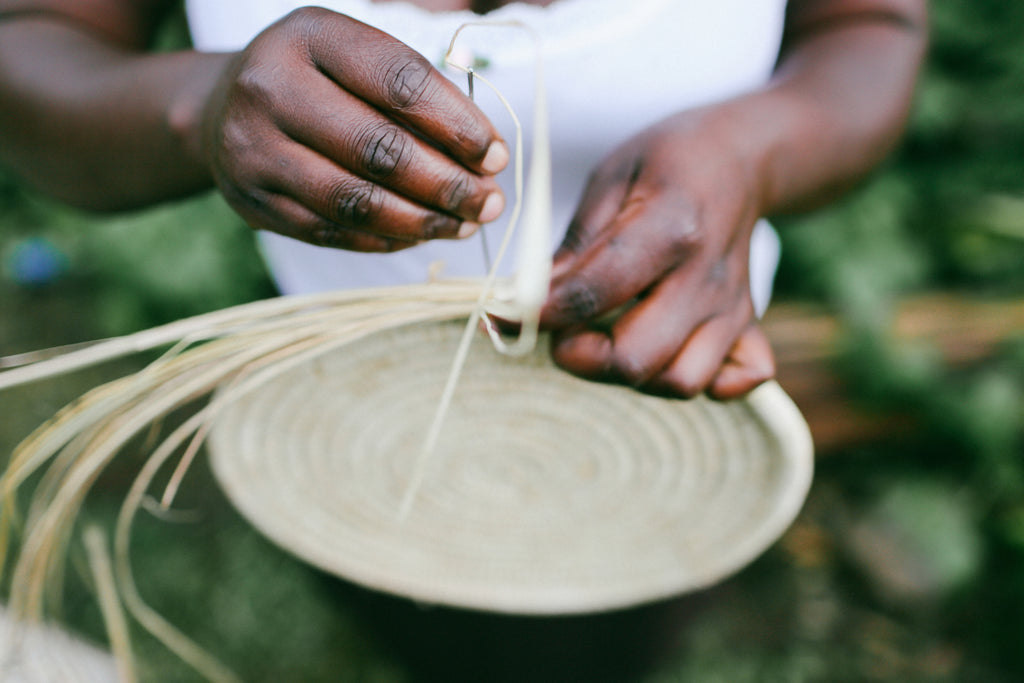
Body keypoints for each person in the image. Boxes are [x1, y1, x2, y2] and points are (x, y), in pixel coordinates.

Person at [0, 0, 927, 400]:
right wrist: (201, 108)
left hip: (668, 369)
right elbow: (34, 41)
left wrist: (748, 151)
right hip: (338, 382)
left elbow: (869, 27)